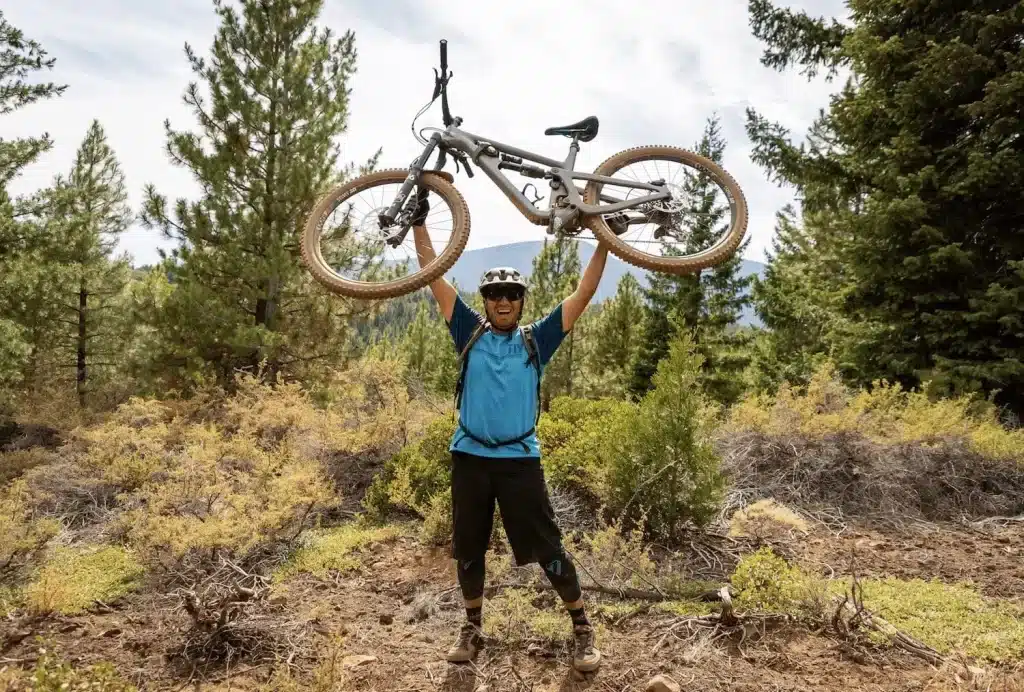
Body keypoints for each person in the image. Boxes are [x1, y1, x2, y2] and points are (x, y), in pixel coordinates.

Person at [410, 190, 609, 673]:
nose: (503, 301)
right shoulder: (468, 331)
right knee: (469, 547)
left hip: (520, 460)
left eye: (512, 295)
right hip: (471, 459)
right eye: (495, 295)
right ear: (485, 302)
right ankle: (473, 628)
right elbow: (432, 275)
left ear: (522, 302)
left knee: (548, 547)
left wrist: (604, 237)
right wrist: (419, 222)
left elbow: (582, 294)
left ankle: (582, 628)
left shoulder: (537, 339)